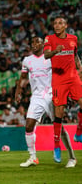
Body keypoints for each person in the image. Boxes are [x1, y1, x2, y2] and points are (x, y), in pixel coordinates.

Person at [15, 37, 76, 168]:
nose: (34, 45)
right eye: (32, 43)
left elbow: (63, 75)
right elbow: (23, 77)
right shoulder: (27, 60)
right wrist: (18, 91)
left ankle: (72, 157)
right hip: (36, 96)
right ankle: (32, 157)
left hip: (52, 94)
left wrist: (67, 93)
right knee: (28, 126)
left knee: (59, 128)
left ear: (43, 45)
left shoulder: (51, 58)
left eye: (37, 42)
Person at [43, 16, 82, 165]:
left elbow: (75, 54)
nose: (57, 26)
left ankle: (78, 132)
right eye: (55, 23)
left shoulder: (73, 38)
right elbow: (46, 55)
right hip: (59, 80)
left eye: (60, 23)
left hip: (73, 78)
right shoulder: (49, 39)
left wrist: (80, 67)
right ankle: (57, 146)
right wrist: (55, 52)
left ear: (65, 25)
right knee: (58, 114)